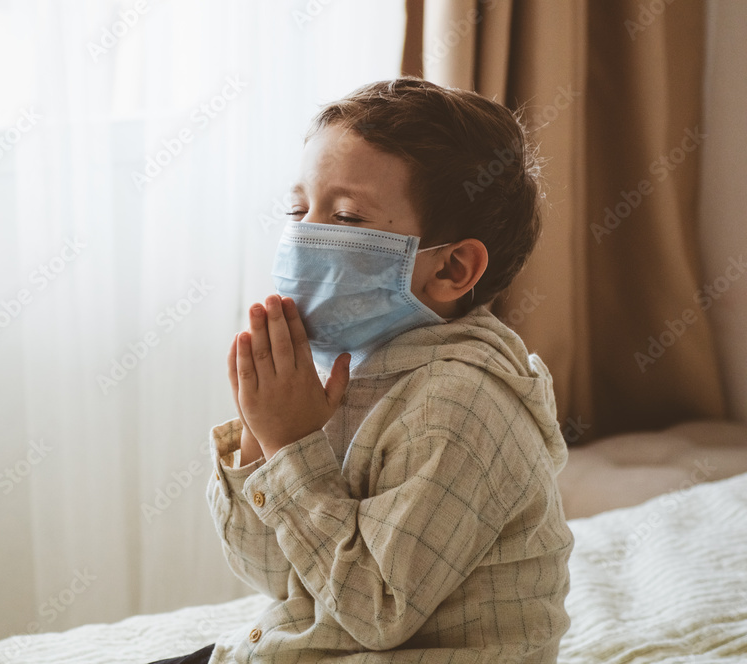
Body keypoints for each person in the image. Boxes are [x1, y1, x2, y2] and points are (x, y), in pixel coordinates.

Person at [153, 76, 573, 663]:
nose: (305, 233)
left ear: (451, 269)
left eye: (347, 217)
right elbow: (277, 576)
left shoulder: (460, 404)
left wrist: (291, 444)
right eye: (297, 208)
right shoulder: (346, 372)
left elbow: (377, 609)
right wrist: (261, 437)